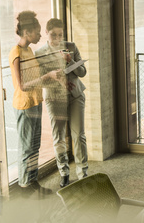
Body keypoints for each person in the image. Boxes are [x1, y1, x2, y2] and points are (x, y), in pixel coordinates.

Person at [9, 11, 59, 197]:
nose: (40, 35)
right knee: (26, 147)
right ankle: (24, 186)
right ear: (27, 31)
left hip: (36, 102)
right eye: (37, 32)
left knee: (35, 145)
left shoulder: (29, 51)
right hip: (24, 105)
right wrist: (47, 77)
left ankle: (33, 181)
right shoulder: (16, 52)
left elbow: (35, 78)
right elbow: (22, 85)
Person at [35, 18, 88, 188]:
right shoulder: (39, 53)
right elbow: (40, 80)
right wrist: (56, 78)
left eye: (60, 34)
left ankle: (82, 172)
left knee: (78, 135)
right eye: (53, 35)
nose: (57, 38)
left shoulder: (70, 47)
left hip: (75, 96)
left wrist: (69, 61)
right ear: (46, 33)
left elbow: (82, 72)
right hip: (54, 98)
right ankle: (64, 172)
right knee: (58, 137)